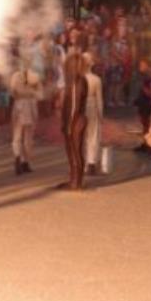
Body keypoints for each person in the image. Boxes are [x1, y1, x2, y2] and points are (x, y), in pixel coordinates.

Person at [61, 41, 92, 190]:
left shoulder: (75, 82)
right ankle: (76, 180)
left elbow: (73, 106)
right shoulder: (81, 80)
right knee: (77, 150)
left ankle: (75, 181)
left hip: (75, 121)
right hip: (79, 120)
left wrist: (68, 125)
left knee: (73, 150)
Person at [9, 64, 40, 176]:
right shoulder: (34, 76)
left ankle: (18, 156)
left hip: (19, 105)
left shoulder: (15, 76)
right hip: (30, 105)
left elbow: (12, 92)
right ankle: (25, 161)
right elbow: (39, 93)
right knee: (28, 137)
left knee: (17, 136)